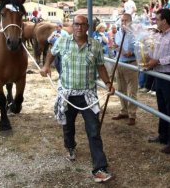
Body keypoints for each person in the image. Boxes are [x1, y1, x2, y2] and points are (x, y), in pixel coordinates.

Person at [40, 15, 115, 183]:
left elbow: (100, 66)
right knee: (68, 126)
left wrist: (108, 83)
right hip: (67, 94)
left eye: (82, 24)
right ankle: (70, 147)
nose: (79, 27)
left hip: (88, 95)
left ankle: (99, 168)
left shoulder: (95, 45)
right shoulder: (62, 41)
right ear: (72, 26)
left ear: (87, 27)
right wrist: (46, 66)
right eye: (76, 24)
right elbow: (51, 54)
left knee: (94, 130)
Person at [146, 8, 170, 154]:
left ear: (165, 21)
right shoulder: (160, 36)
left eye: (157, 19)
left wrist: (158, 61)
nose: (155, 22)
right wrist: (147, 58)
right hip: (160, 75)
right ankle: (163, 136)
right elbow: (154, 54)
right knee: (162, 107)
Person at [112, 13, 138, 126]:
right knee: (120, 89)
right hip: (119, 63)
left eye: (126, 20)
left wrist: (126, 52)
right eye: (122, 20)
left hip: (131, 64)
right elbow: (116, 47)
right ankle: (124, 111)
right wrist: (115, 48)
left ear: (130, 21)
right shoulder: (118, 33)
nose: (123, 23)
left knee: (132, 91)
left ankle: (132, 114)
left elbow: (135, 51)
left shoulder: (134, 34)